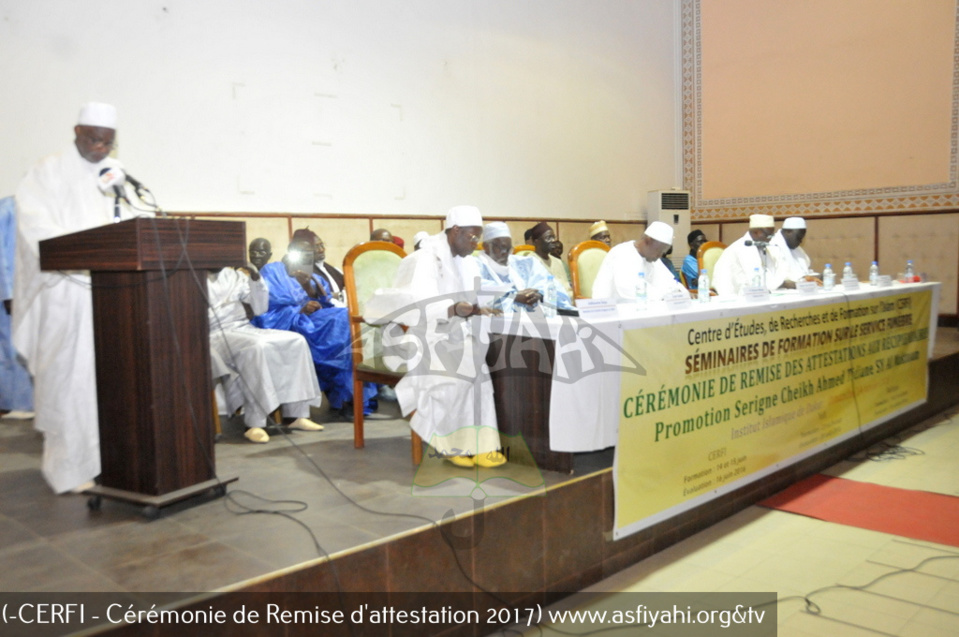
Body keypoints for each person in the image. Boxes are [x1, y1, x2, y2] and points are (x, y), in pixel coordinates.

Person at [13, 102, 142, 493]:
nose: (101, 148)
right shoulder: (47, 170)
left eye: (108, 142)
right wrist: (80, 253)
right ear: (77, 131)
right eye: (95, 139)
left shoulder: (112, 177)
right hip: (65, 292)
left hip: (107, 293)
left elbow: (131, 223)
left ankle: (107, 461)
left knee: (105, 379)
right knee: (70, 381)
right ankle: (66, 469)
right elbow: (34, 227)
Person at [365, 206, 505, 468]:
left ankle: (482, 445)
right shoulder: (424, 259)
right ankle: (452, 444)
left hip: (454, 333)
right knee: (458, 365)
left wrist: (477, 307)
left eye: (478, 237)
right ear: (454, 231)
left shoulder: (467, 261)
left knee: (478, 368)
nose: (475, 244)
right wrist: (453, 309)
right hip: (418, 336)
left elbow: (471, 299)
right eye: (471, 237)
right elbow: (417, 306)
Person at [253, 239, 376, 418]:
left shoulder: (312, 274)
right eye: (300, 251)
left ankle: (353, 396)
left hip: (314, 318)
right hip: (287, 321)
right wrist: (299, 309)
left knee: (348, 318)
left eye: (308, 253)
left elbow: (325, 301)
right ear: (290, 250)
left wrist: (309, 288)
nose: (304, 256)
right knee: (341, 327)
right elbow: (265, 306)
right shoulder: (272, 270)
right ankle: (350, 397)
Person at [208, 263, 324, 443]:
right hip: (213, 334)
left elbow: (260, 308)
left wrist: (256, 279)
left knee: (296, 340)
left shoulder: (233, 275)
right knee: (256, 346)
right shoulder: (192, 277)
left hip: (242, 328)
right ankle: (254, 423)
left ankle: (295, 415)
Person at [474, 222, 574, 313]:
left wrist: (540, 295)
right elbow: (478, 293)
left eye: (508, 247)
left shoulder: (526, 263)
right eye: (500, 247)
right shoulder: (475, 265)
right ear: (486, 247)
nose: (505, 252)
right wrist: (513, 296)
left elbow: (554, 288)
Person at [591, 221, 690, 301]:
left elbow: (670, 282)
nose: (660, 255)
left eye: (662, 252)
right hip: (613, 312)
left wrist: (682, 293)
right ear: (648, 240)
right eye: (658, 251)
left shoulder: (653, 258)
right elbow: (629, 290)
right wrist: (664, 296)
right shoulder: (622, 253)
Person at [0, 196, 33, 418]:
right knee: (8, 350)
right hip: (10, 296)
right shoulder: (9, 208)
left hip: (35, 293)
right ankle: (9, 405)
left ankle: (30, 405)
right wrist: (8, 293)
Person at [711, 214, 784, 296]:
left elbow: (771, 278)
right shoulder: (738, 249)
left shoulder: (764, 248)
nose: (770, 238)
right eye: (767, 235)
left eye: (772, 235)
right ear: (756, 232)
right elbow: (728, 285)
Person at [769, 217, 820, 286]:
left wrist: (814, 278)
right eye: (798, 238)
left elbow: (804, 272)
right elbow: (775, 280)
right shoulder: (772, 247)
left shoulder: (797, 249)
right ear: (788, 232)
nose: (801, 241)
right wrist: (799, 283)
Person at [527, 222, 573, 297]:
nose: (553, 240)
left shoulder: (558, 262)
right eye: (548, 238)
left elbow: (567, 288)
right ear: (536, 242)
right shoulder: (530, 262)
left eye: (553, 237)